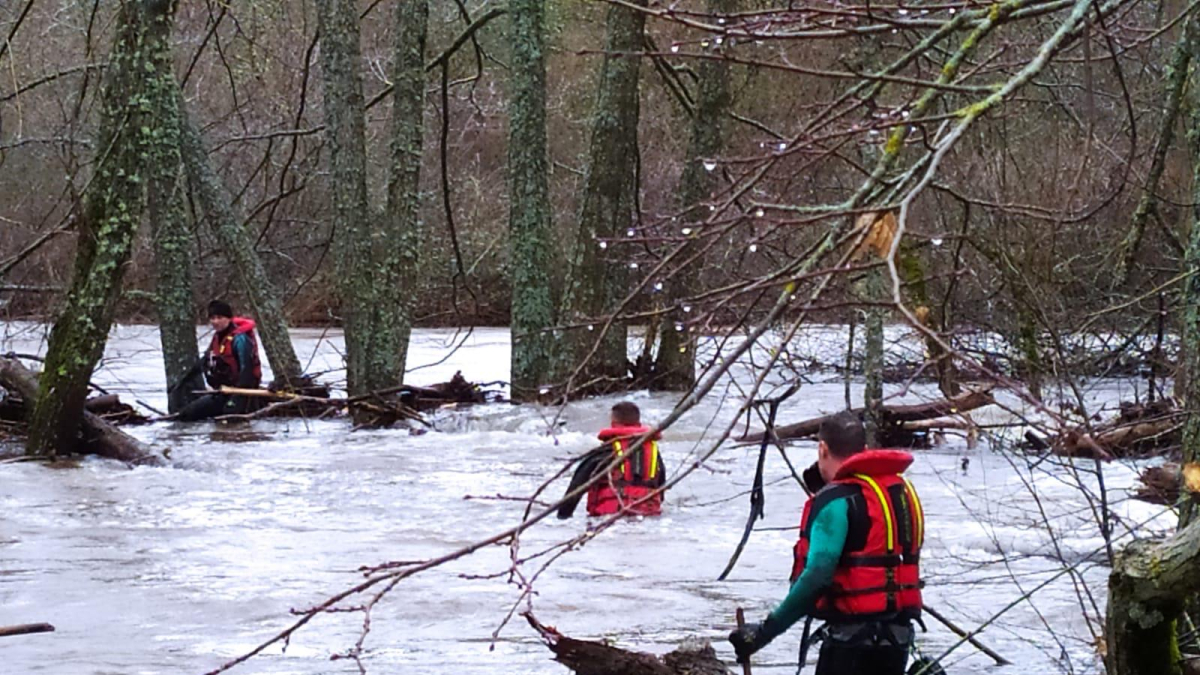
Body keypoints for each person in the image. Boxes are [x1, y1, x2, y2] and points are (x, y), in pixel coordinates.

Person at [729, 411, 924, 675]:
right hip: (898, 641)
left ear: (822, 449)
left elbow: (817, 576)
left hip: (850, 643)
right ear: (864, 449)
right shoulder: (901, 492)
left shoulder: (835, 501)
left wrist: (763, 633)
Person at [556, 401, 667, 519]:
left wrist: (563, 516)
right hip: (648, 515)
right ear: (639, 424)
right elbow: (660, 489)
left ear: (613, 423)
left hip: (610, 517)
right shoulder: (654, 453)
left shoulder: (606, 451)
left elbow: (576, 487)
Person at [177, 300, 263, 422]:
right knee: (187, 414)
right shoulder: (217, 337)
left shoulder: (240, 339)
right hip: (223, 391)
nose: (215, 322)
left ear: (229, 318)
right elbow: (204, 361)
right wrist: (183, 382)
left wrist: (236, 397)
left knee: (228, 418)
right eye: (212, 318)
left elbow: (247, 370)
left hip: (243, 391)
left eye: (219, 317)